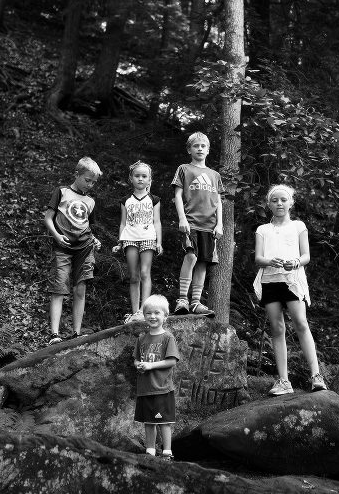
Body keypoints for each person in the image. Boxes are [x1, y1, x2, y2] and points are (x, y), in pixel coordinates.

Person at [253, 184, 327, 395]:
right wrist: (270, 261)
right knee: (277, 328)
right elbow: (258, 258)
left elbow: (306, 256)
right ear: (268, 204)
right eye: (275, 200)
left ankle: (316, 376)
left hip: (293, 281)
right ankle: (284, 381)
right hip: (270, 281)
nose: (279, 203)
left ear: (291, 203)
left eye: (283, 200)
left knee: (301, 323)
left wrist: (295, 262)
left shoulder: (298, 226)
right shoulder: (263, 230)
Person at [43, 156, 103, 345]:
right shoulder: (62, 192)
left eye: (93, 182)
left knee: (80, 288)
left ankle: (76, 333)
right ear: (77, 174)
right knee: (59, 287)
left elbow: (86, 226)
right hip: (62, 247)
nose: (90, 185)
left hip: (84, 248)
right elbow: (48, 218)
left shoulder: (90, 201)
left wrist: (95, 240)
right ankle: (54, 334)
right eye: (87, 180)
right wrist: (56, 236)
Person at [171, 132, 224, 316]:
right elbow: (177, 195)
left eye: (203, 146)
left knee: (203, 262)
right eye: (196, 146)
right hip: (191, 222)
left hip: (210, 226)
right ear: (189, 149)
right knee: (191, 256)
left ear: (208, 150)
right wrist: (182, 218)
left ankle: (195, 302)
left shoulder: (215, 175)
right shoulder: (184, 169)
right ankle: (182, 300)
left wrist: (220, 224)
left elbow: (218, 201)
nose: (200, 149)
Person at [113, 161, 163, 323]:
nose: (140, 179)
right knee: (134, 276)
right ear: (131, 178)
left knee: (145, 273)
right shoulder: (126, 200)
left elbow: (157, 222)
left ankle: (143, 311)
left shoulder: (154, 199)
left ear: (149, 180)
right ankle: (135, 312)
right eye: (137, 176)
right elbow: (122, 223)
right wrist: (120, 242)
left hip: (148, 238)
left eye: (144, 176)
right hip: (130, 238)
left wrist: (159, 242)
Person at [134, 294, 180, 460]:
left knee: (164, 422)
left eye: (157, 313)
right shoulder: (141, 339)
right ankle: (150, 451)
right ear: (144, 316)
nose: (152, 316)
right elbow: (136, 359)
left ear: (165, 316)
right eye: (148, 313)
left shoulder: (168, 337)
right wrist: (138, 365)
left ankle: (167, 452)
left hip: (162, 388)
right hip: (145, 389)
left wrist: (150, 366)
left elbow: (172, 361)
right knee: (149, 422)